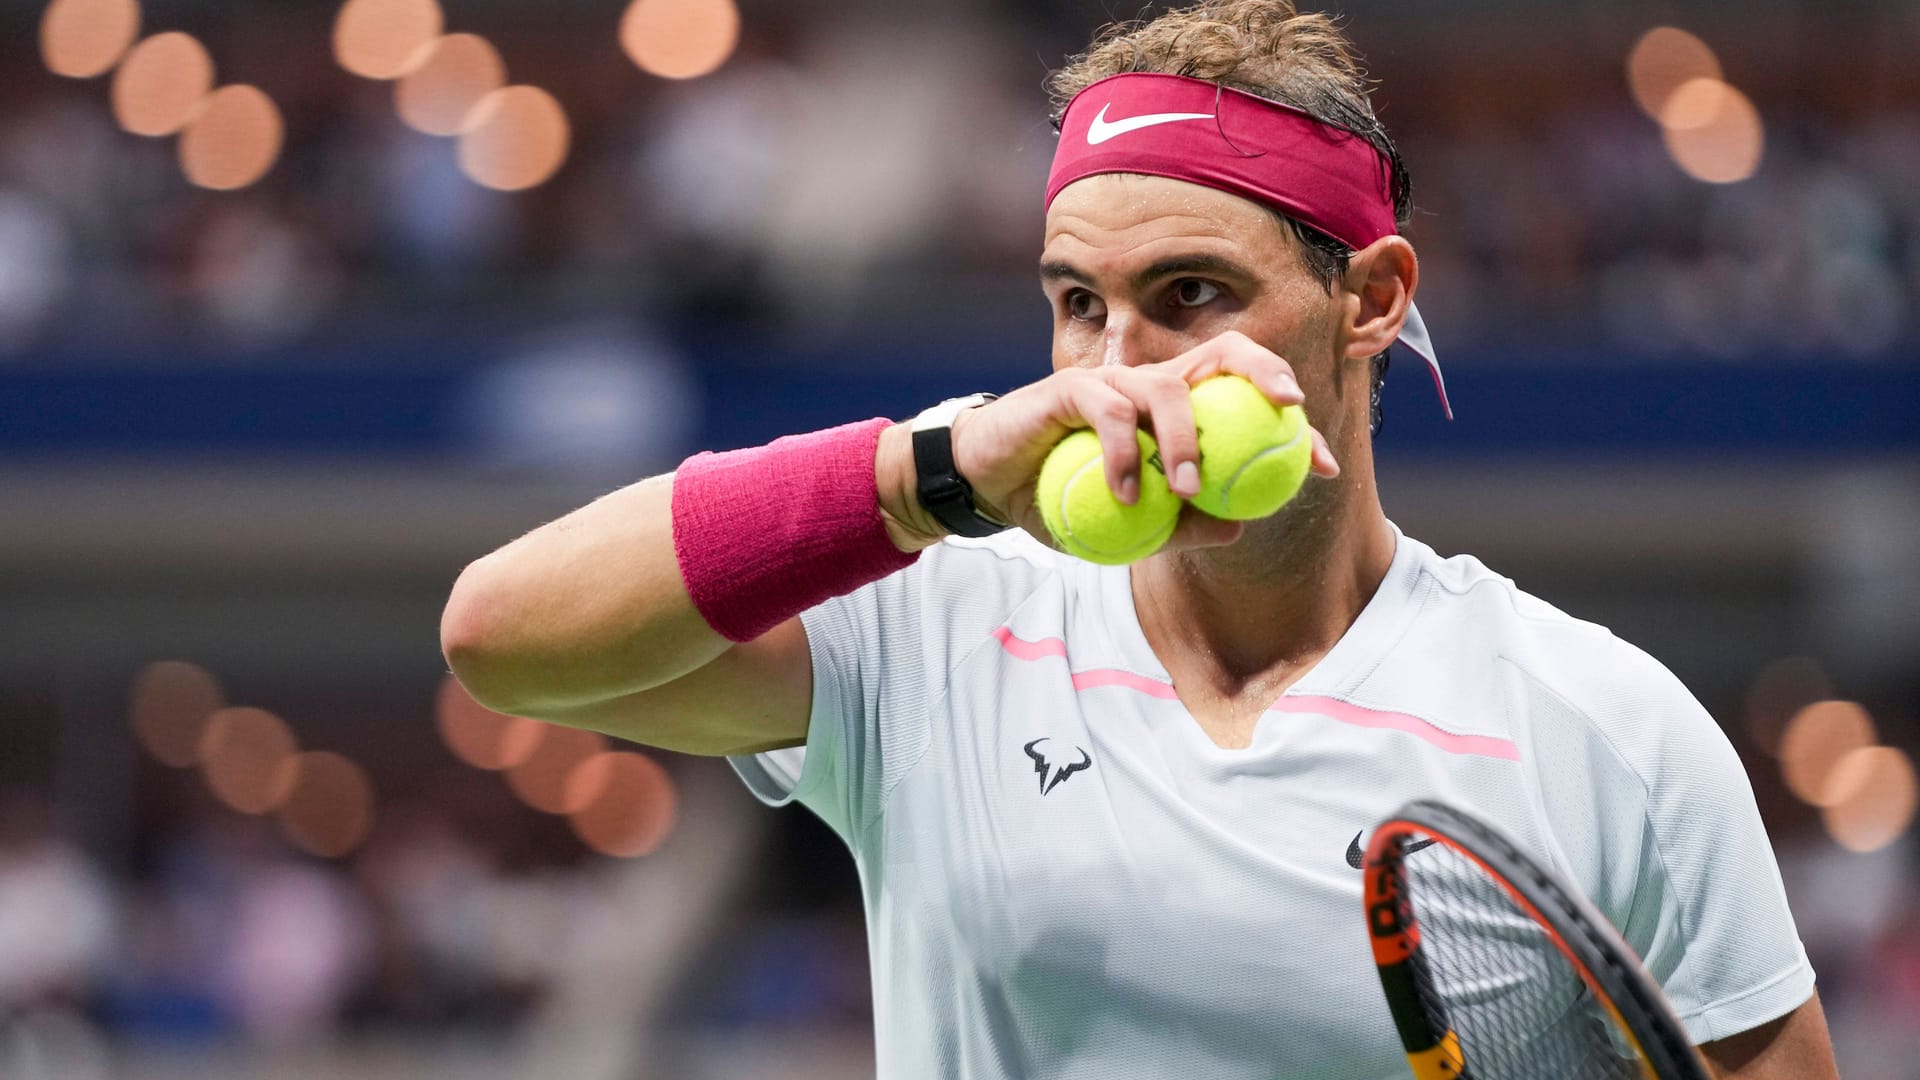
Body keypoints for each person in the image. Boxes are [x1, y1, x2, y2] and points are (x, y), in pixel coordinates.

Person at [439, 2, 1840, 1075]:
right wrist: (932, 473)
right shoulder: (936, 625)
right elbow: (502, 638)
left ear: (1371, 300)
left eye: (1191, 293)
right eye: (1076, 303)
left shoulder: (1603, 729)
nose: (1123, 364)